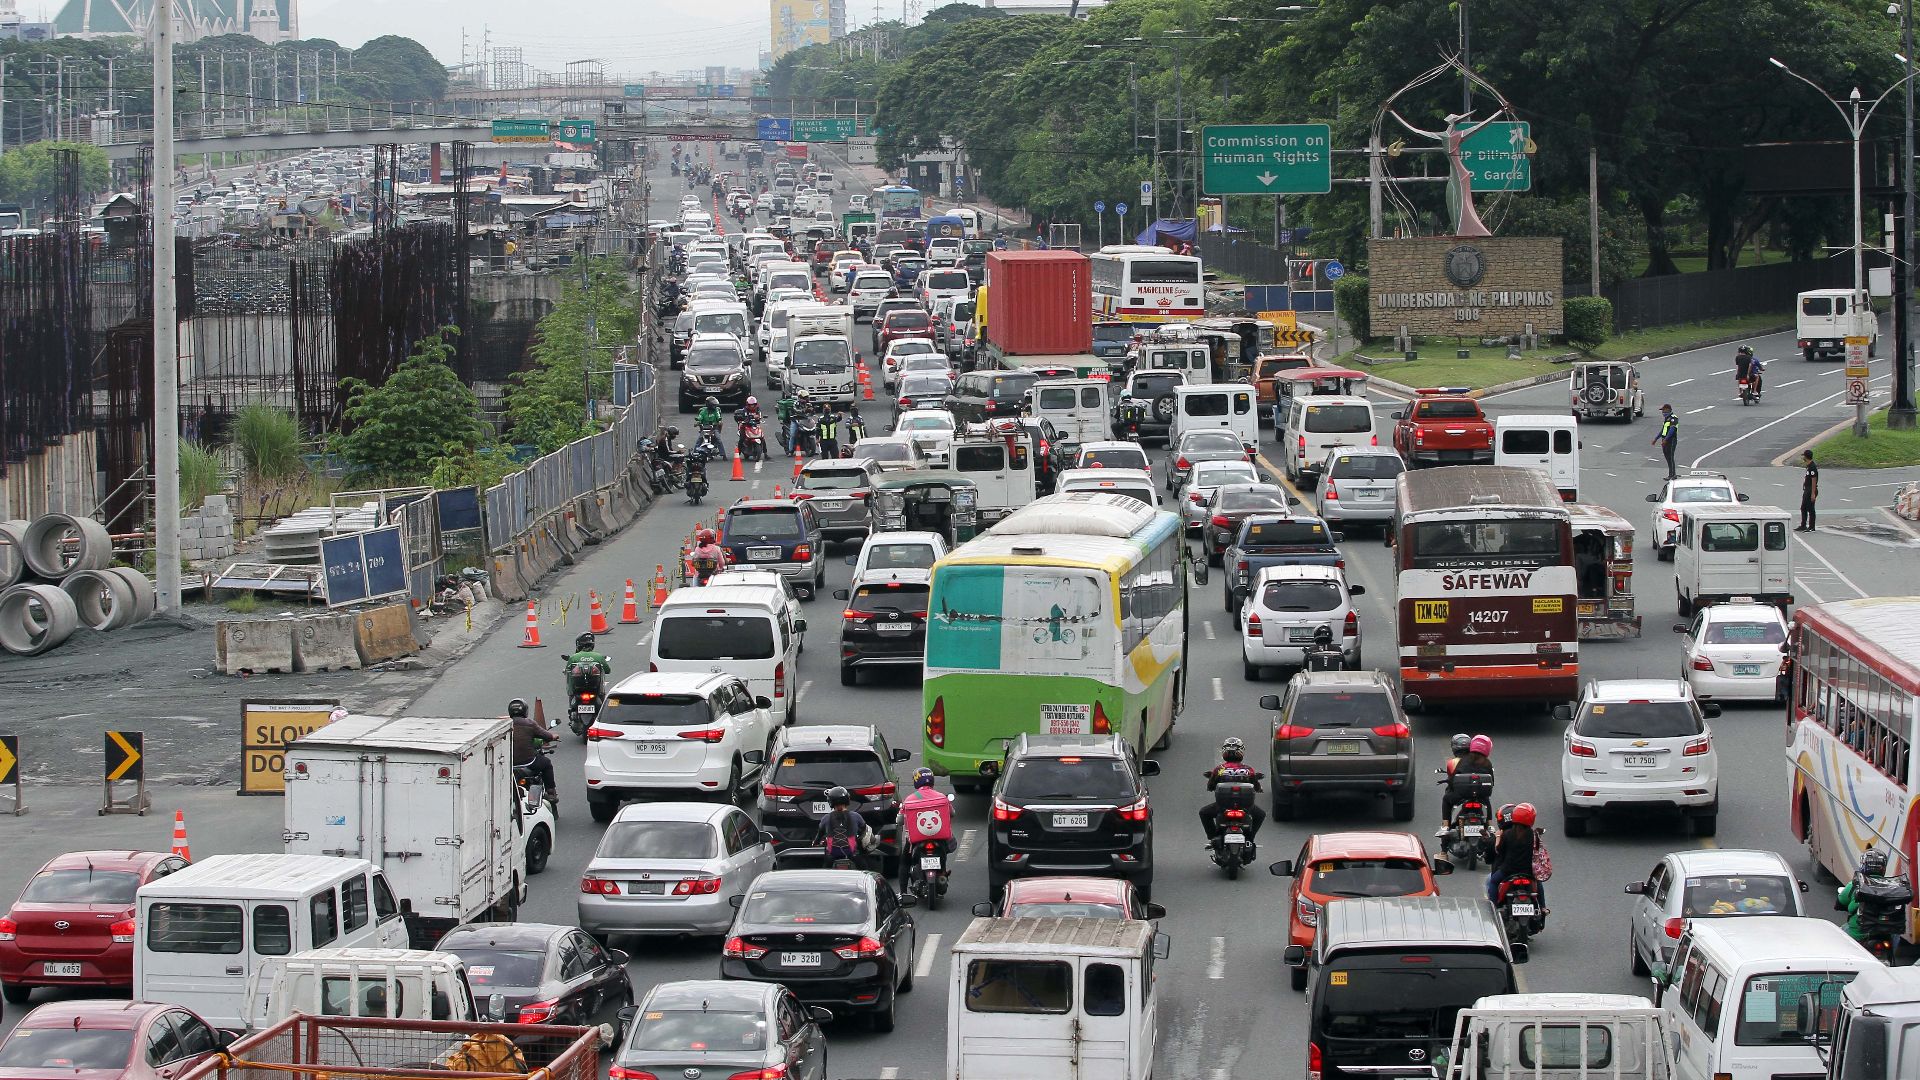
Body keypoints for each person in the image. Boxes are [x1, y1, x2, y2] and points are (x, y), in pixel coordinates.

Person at [1198, 737, 1266, 846]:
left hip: (1222, 807)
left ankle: (1213, 838)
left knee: (1204, 813)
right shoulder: (1248, 770)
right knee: (1261, 814)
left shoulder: (1219, 769)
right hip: (1246, 807)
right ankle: (1250, 838)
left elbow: (1210, 786)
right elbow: (1257, 786)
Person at [897, 768, 954, 890]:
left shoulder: (909, 800)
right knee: (946, 847)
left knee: (905, 862)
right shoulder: (941, 797)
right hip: (939, 837)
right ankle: (942, 872)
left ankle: (902, 892)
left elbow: (899, 821)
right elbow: (952, 813)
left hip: (916, 840)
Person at [507, 698, 556, 806]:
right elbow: (547, 736)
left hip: (509, 764)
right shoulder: (530, 724)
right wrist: (553, 736)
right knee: (547, 764)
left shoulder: (505, 724)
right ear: (525, 711)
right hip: (529, 762)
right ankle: (551, 792)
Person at [1487, 802, 1538, 905]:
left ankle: (1493, 908)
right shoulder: (1533, 835)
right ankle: (1542, 907)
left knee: (1493, 881)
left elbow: (1499, 850)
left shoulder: (1507, 834)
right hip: (1528, 872)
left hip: (1507, 871)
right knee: (1539, 884)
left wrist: (1497, 838)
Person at [815, 786, 869, 869]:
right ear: (847, 799)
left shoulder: (826, 818)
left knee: (826, 870)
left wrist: (815, 843)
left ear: (830, 801)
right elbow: (864, 830)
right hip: (853, 854)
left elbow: (819, 834)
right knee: (864, 869)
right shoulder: (856, 816)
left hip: (832, 855)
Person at [1652, 404, 1679, 480]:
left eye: (1664, 410)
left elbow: (1672, 430)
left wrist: (1666, 439)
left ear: (1668, 410)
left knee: (1670, 457)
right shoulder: (1666, 419)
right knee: (1667, 457)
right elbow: (1662, 430)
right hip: (1664, 440)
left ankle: (1673, 474)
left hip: (1671, 440)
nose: (1663, 412)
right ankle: (1671, 474)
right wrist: (1656, 438)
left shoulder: (1673, 419)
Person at [1798, 450, 1819, 532]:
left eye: (1803, 456)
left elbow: (1814, 480)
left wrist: (1813, 493)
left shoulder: (1812, 467)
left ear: (1806, 457)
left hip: (1811, 489)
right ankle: (1803, 525)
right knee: (1803, 507)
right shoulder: (1809, 466)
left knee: (1810, 508)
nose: (1803, 457)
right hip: (1807, 489)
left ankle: (1811, 526)